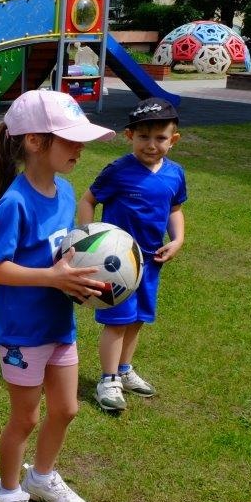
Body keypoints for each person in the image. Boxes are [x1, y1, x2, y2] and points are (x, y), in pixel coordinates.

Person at [0, 89, 114, 502]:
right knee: (26, 419)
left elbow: (66, 252)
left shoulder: (67, 191)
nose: (81, 148)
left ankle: (41, 476)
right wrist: (52, 278)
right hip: (22, 333)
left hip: (59, 325)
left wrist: (86, 276)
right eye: (71, 140)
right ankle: (7, 493)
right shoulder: (14, 203)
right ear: (35, 142)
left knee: (67, 409)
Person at [77, 97, 186, 412]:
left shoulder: (175, 174)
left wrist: (178, 240)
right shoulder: (118, 171)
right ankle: (108, 380)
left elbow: (174, 209)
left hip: (151, 262)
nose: (151, 145)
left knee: (137, 320)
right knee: (117, 322)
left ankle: (124, 370)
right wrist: (88, 241)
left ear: (173, 140)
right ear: (129, 136)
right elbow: (88, 200)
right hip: (116, 265)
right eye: (143, 137)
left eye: (160, 138)